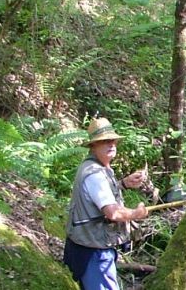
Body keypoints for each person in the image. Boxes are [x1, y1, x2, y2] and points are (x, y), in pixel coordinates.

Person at [63, 117, 149, 290]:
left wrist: (123, 183)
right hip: (93, 252)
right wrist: (136, 214)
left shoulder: (96, 168)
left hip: (87, 247)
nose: (111, 145)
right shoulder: (95, 174)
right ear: (93, 146)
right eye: (104, 142)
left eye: (113, 141)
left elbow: (95, 198)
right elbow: (113, 213)